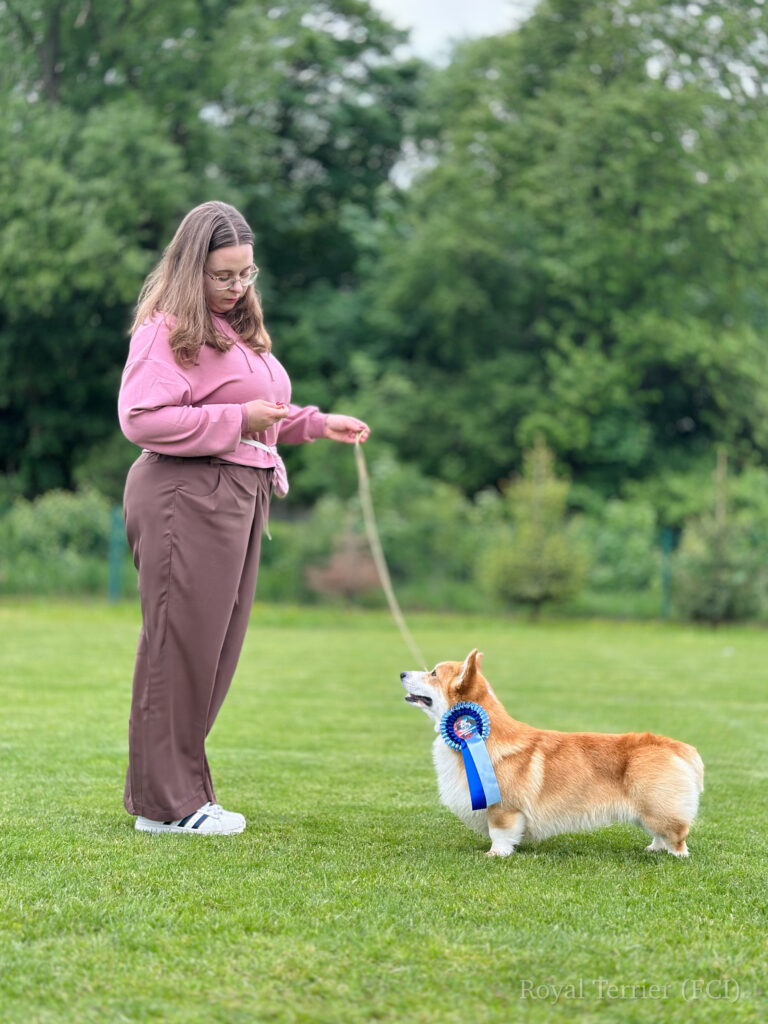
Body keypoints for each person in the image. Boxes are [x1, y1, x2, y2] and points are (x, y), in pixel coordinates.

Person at [117, 200, 369, 835]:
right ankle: (169, 807)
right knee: (179, 649)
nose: (236, 287)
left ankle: (173, 797)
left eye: (246, 274)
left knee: (214, 652)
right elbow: (141, 419)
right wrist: (236, 422)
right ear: (191, 268)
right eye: (224, 275)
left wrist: (312, 422)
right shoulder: (166, 328)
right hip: (185, 494)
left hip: (237, 494)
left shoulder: (236, 329)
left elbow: (260, 409)